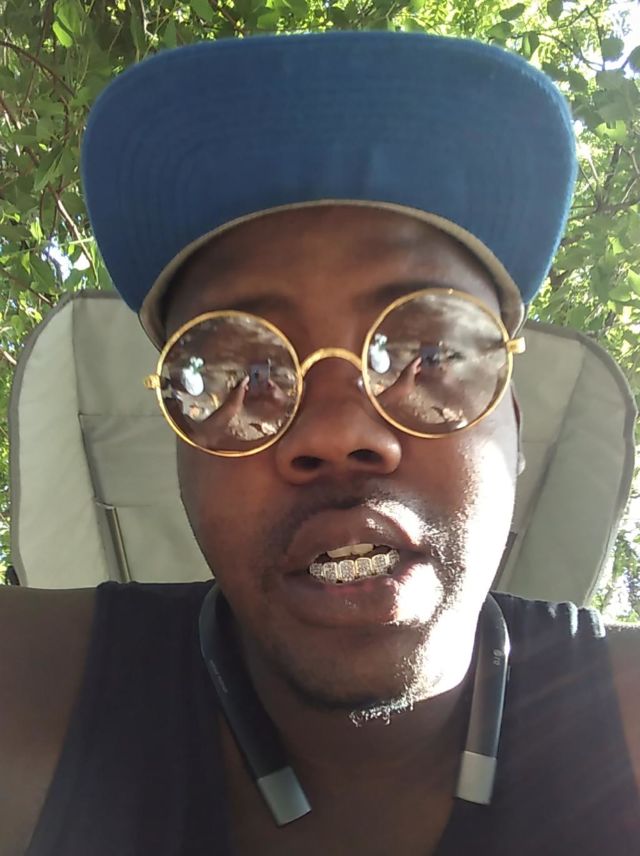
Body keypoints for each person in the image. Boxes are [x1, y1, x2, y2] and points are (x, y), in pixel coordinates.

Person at [1, 31, 639, 856]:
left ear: (510, 424)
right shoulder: (28, 694)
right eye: (241, 372)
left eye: (428, 356)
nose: (338, 433)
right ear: (181, 452)